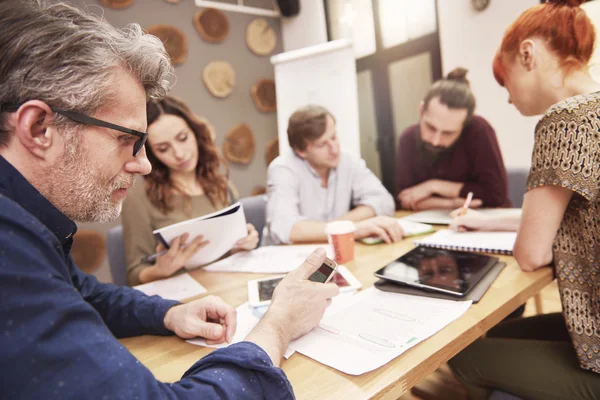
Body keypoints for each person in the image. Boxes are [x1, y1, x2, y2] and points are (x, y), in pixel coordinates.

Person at [0, 1, 337, 398]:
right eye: (129, 140)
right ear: (38, 128)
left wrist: (169, 312)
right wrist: (278, 325)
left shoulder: (27, 227)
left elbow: (86, 293)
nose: (144, 165)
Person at [448, 1, 600, 398]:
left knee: (463, 354)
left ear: (528, 54)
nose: (510, 98)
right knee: (499, 332)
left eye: (506, 81)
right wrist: (485, 222)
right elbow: (575, 216)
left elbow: (532, 254)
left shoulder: (564, 120)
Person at [122, 96, 258, 286]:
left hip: (227, 286)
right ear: (152, 153)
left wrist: (243, 242)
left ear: (195, 133)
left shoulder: (217, 182)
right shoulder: (138, 197)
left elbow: (226, 253)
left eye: (183, 138)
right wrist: (159, 270)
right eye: (163, 148)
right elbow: (134, 275)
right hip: (182, 300)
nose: (179, 153)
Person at [266, 104, 403, 245]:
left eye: (334, 137)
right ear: (301, 151)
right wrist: (352, 228)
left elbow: (384, 202)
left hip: (332, 252)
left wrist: (337, 226)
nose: (334, 148)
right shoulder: (283, 168)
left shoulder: (347, 158)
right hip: (288, 260)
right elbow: (284, 229)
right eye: (322, 144)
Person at [395, 67, 511, 211]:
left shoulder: (479, 130)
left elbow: (495, 196)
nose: (436, 141)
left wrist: (432, 186)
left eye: (448, 133)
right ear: (421, 111)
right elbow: (405, 199)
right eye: (431, 128)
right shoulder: (408, 138)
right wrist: (453, 204)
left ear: (464, 125)